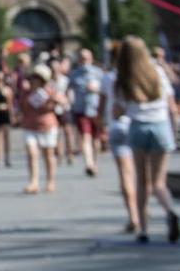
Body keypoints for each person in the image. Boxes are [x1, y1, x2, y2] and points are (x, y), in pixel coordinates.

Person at [111, 37, 180, 244]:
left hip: (137, 127)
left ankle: (143, 230)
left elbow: (117, 112)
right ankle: (170, 211)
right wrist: (174, 135)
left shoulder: (123, 78)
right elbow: (173, 108)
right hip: (160, 126)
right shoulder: (158, 73)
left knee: (142, 181)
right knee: (159, 182)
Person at [102, 42, 142, 234]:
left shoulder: (109, 77)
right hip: (140, 124)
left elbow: (103, 106)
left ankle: (133, 215)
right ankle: (143, 211)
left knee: (126, 175)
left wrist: (100, 127)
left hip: (118, 127)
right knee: (142, 174)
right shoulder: (141, 75)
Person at [18, 63, 65, 195]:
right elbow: (21, 107)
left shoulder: (49, 91)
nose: (34, 80)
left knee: (48, 154)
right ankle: (33, 182)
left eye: (37, 78)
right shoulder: (26, 92)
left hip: (47, 125)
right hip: (29, 125)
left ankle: (50, 181)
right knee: (32, 152)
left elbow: (62, 102)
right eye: (33, 77)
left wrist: (54, 99)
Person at [67, 48, 104, 177]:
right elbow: (69, 90)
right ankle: (88, 163)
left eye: (86, 58)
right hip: (81, 109)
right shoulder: (73, 74)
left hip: (95, 109)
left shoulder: (99, 73)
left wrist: (96, 89)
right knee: (85, 136)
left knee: (95, 139)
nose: (84, 61)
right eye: (82, 58)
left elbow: (106, 91)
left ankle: (94, 162)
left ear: (91, 59)